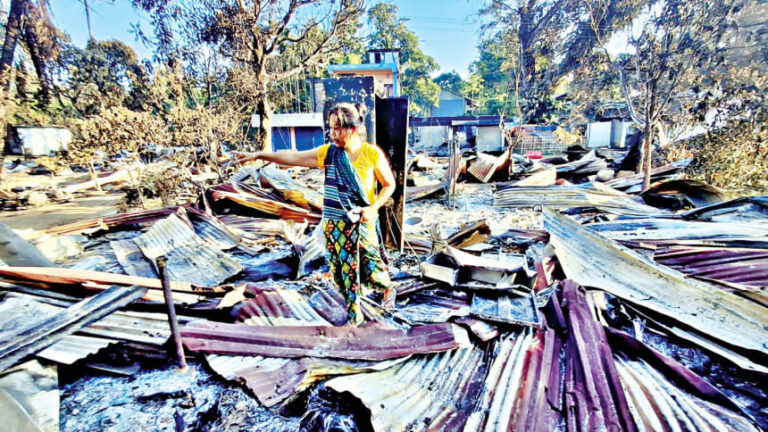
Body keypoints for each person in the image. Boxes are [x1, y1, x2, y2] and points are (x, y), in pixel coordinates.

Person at [234, 102, 396, 326]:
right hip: (335, 225)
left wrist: (373, 207)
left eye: (337, 128)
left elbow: (389, 185)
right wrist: (260, 155)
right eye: (330, 128)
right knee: (342, 271)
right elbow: (293, 157)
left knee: (372, 264)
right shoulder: (328, 154)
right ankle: (354, 312)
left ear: (352, 128)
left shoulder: (371, 154)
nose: (332, 134)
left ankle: (387, 290)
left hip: (362, 222)